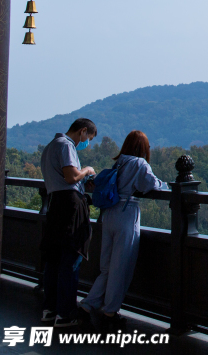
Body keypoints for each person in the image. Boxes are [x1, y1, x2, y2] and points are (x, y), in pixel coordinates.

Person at [81, 130, 168, 330]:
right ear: (143, 148)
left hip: (108, 214)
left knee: (106, 267)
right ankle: (110, 311)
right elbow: (150, 184)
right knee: (121, 266)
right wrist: (164, 185)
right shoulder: (139, 164)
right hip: (126, 213)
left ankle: (88, 304)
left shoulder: (118, 162)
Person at [40, 118, 98, 328]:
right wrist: (88, 171)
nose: (86, 143)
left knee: (53, 259)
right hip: (70, 207)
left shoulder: (50, 147)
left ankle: (50, 309)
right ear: (83, 131)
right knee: (70, 257)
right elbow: (71, 176)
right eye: (88, 138)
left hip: (55, 204)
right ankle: (65, 313)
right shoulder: (66, 146)